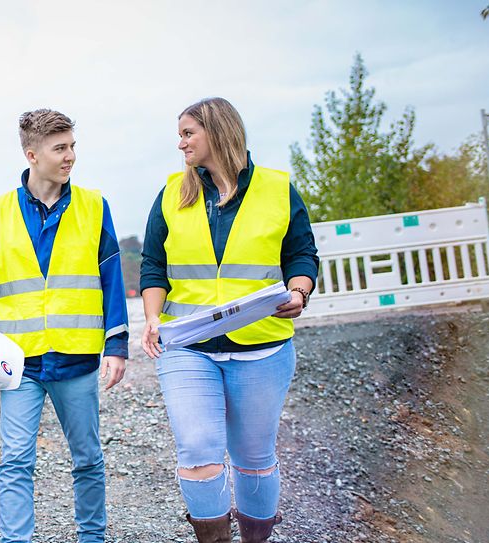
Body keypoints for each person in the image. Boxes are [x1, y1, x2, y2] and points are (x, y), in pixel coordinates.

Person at [0, 109, 129, 543]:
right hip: (19, 362)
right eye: (60, 148)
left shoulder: (93, 205)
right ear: (32, 153)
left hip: (76, 357)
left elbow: (112, 278)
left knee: (87, 458)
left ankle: (92, 537)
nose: (70, 157)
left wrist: (117, 343)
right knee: (14, 461)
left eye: (72, 146)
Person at [140, 98, 318, 543]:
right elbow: (152, 265)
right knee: (199, 451)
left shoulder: (278, 189)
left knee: (254, 458)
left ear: (217, 132)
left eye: (187, 133)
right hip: (188, 347)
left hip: (264, 348)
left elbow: (301, 253)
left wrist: (299, 291)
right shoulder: (170, 193)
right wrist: (151, 317)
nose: (179, 142)